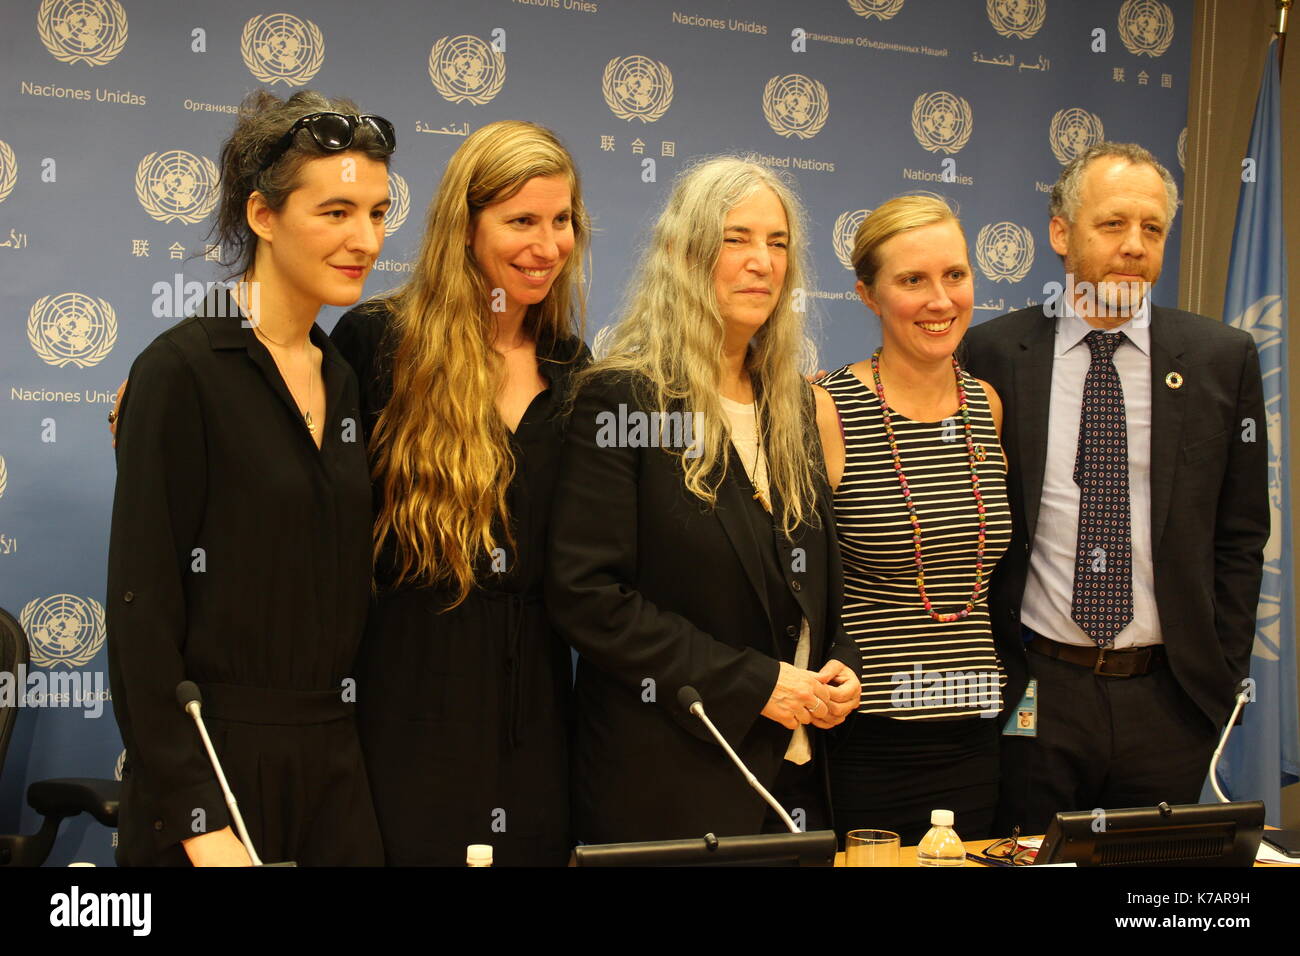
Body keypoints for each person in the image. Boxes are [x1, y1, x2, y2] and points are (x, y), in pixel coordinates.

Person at [106, 90, 395, 866]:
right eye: (335, 212)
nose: (364, 238)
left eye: (377, 212)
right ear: (262, 217)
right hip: (210, 774)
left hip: (334, 765)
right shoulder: (180, 372)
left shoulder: (344, 376)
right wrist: (198, 819)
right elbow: (141, 614)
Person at [546, 157, 862, 844]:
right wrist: (753, 685)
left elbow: (812, 583)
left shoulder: (795, 405)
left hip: (797, 776)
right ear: (686, 255)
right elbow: (589, 597)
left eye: (777, 243)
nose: (762, 262)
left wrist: (839, 662)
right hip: (670, 786)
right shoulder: (623, 396)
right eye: (736, 238)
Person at [961, 142, 1269, 835]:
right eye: (1113, 225)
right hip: (1035, 688)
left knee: (1147, 898)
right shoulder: (991, 354)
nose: (1135, 247)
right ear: (1061, 233)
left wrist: (1219, 676)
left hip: (1169, 697)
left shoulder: (1224, 360)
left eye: (1152, 229)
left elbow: (1241, 535)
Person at [329, 121, 589, 866]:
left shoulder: (574, 366)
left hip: (537, 712)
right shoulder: (378, 341)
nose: (547, 244)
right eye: (521, 222)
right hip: (402, 703)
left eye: (561, 220)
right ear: (464, 227)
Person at [813, 196, 1012, 845]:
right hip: (868, 741)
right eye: (912, 280)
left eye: (955, 275)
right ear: (868, 295)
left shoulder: (986, 405)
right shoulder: (825, 406)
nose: (940, 300)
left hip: (977, 736)